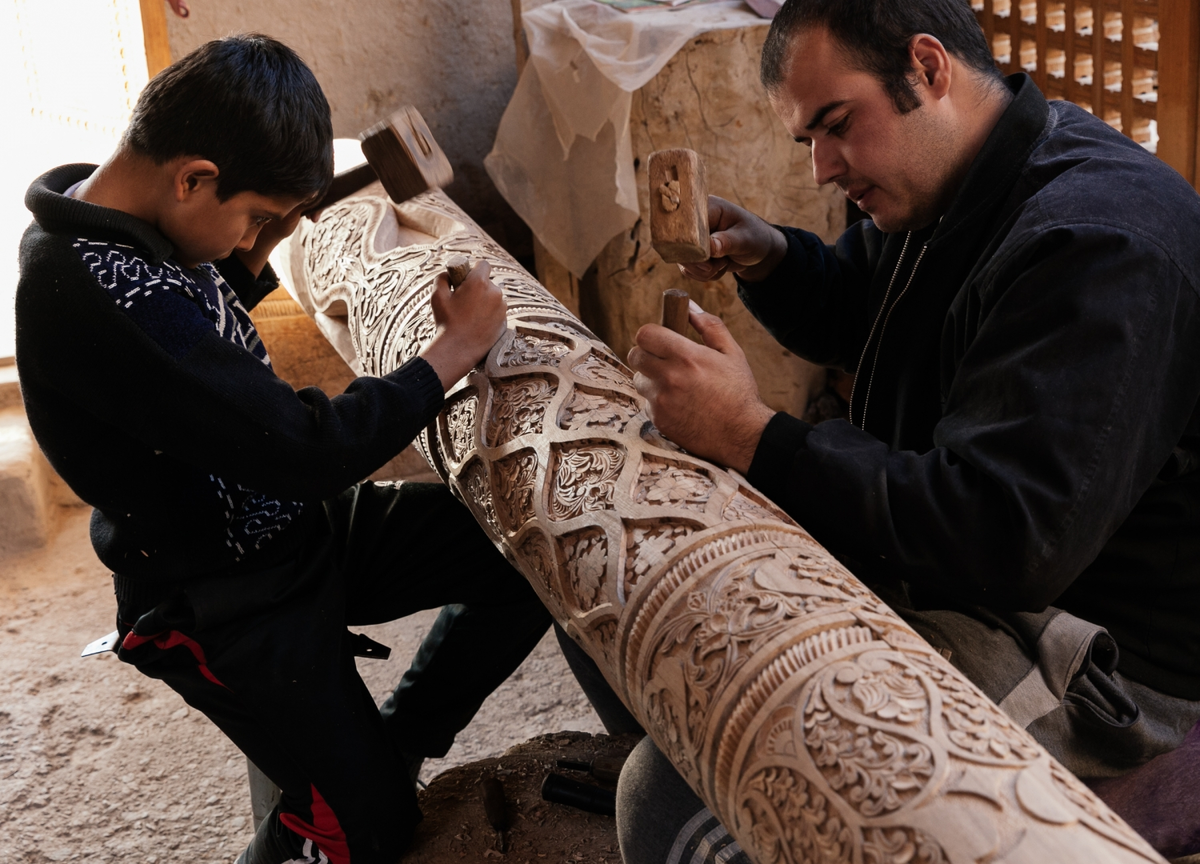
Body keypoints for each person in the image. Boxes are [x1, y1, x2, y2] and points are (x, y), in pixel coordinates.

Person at [611, 0, 1200, 860]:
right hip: (974, 567)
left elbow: (1006, 537)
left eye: (836, 126)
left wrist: (752, 434)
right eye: (806, 140)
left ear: (927, 69)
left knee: (673, 802)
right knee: (655, 611)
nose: (820, 169)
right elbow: (868, 310)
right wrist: (772, 255)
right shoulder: (955, 176)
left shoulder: (1098, 240)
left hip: (1099, 649)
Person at [16, 35, 551, 864]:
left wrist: (251, 252)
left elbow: (195, 339)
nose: (252, 239)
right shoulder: (95, 292)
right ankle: (352, 785)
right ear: (194, 176)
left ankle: (389, 745)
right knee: (358, 832)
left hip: (288, 532)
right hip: (218, 598)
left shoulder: (131, 220)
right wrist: (450, 354)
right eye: (257, 217)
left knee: (524, 548)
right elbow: (301, 446)